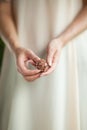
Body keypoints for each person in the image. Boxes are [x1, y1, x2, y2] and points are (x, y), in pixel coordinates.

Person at [0, 0, 87, 130]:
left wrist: (61, 41)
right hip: (19, 51)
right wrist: (16, 47)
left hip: (70, 48)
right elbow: (3, 7)